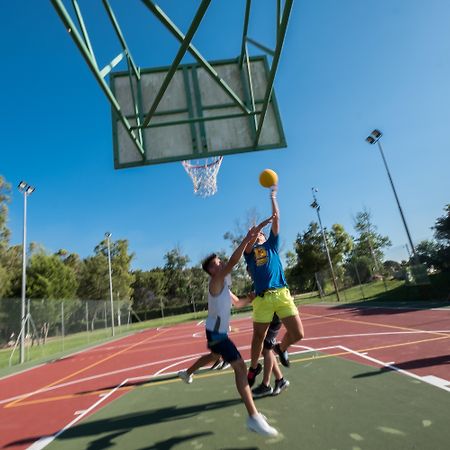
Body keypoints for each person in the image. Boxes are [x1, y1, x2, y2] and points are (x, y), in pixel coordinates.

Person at [178, 218, 278, 436]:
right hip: (217, 333)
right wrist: (249, 238)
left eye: (219, 261)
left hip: (215, 332)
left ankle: (186, 373)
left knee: (214, 358)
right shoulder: (216, 281)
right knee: (241, 368)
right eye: (216, 264)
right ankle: (253, 417)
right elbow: (234, 261)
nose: (221, 263)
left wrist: (250, 297)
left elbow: (238, 303)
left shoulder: (224, 285)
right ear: (211, 271)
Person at [244, 185, 304, 387]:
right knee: (258, 338)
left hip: (281, 294)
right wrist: (253, 234)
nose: (257, 235)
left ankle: (282, 348)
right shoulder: (249, 255)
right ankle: (253, 368)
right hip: (262, 299)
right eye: (254, 235)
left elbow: (276, 217)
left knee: (298, 334)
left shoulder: (271, 245)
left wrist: (273, 197)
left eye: (260, 234)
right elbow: (249, 243)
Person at [251, 312, 290, 397]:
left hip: (273, 317)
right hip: (270, 315)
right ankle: (280, 380)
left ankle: (266, 385)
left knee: (266, 349)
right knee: (266, 349)